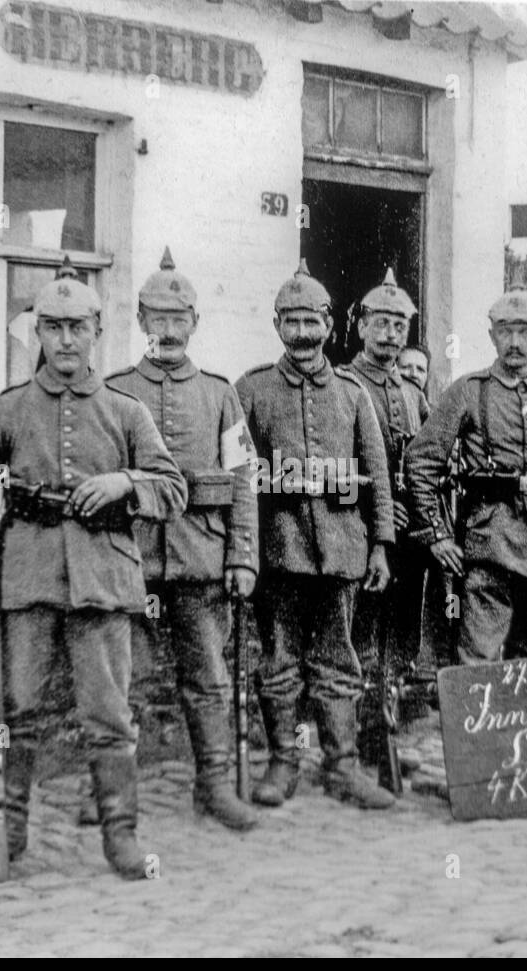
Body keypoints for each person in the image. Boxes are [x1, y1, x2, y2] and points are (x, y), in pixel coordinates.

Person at [0, 261, 186, 879]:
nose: (65, 341)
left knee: (109, 716)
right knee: (17, 711)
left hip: (103, 582)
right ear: (38, 334)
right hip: (25, 579)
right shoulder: (7, 410)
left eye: (77, 328)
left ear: (98, 330)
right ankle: (10, 833)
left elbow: (173, 489)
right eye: (52, 328)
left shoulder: (127, 412)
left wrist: (123, 481)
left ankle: (121, 838)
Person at [104, 248, 260, 830]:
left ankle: (214, 786)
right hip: (132, 560)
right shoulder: (114, 390)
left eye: (179, 318)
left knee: (209, 679)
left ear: (194, 323)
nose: (168, 330)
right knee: (125, 680)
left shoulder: (222, 394)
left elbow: (245, 480)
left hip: (201, 559)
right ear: (141, 321)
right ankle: (116, 794)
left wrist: (243, 556)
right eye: (157, 318)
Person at [234, 260, 397, 810]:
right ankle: (282, 762)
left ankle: (344, 767)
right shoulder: (250, 390)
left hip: (343, 552)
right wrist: (247, 542)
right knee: (279, 661)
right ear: (277, 324)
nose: (303, 334)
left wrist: (380, 545)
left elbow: (377, 475)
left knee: (338, 660)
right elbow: (237, 474)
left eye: (312, 322)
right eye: (291, 322)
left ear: (330, 324)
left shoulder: (354, 394)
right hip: (277, 552)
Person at [406, 288, 527, 663]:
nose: (515, 342)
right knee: (477, 661)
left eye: (525, 332)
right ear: (492, 336)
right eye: (505, 332)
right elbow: (420, 463)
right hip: (490, 546)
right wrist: (438, 535)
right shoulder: (469, 392)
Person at [345, 270, 431, 771]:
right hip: (364, 536)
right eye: (380, 323)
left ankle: (388, 733)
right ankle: (362, 737)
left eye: (399, 325)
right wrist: (377, 511)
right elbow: (341, 465)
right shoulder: (344, 383)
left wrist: (415, 513)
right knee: (363, 637)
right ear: (360, 326)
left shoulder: (413, 393)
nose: (390, 334)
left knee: (400, 639)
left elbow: (425, 462)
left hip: (408, 541)